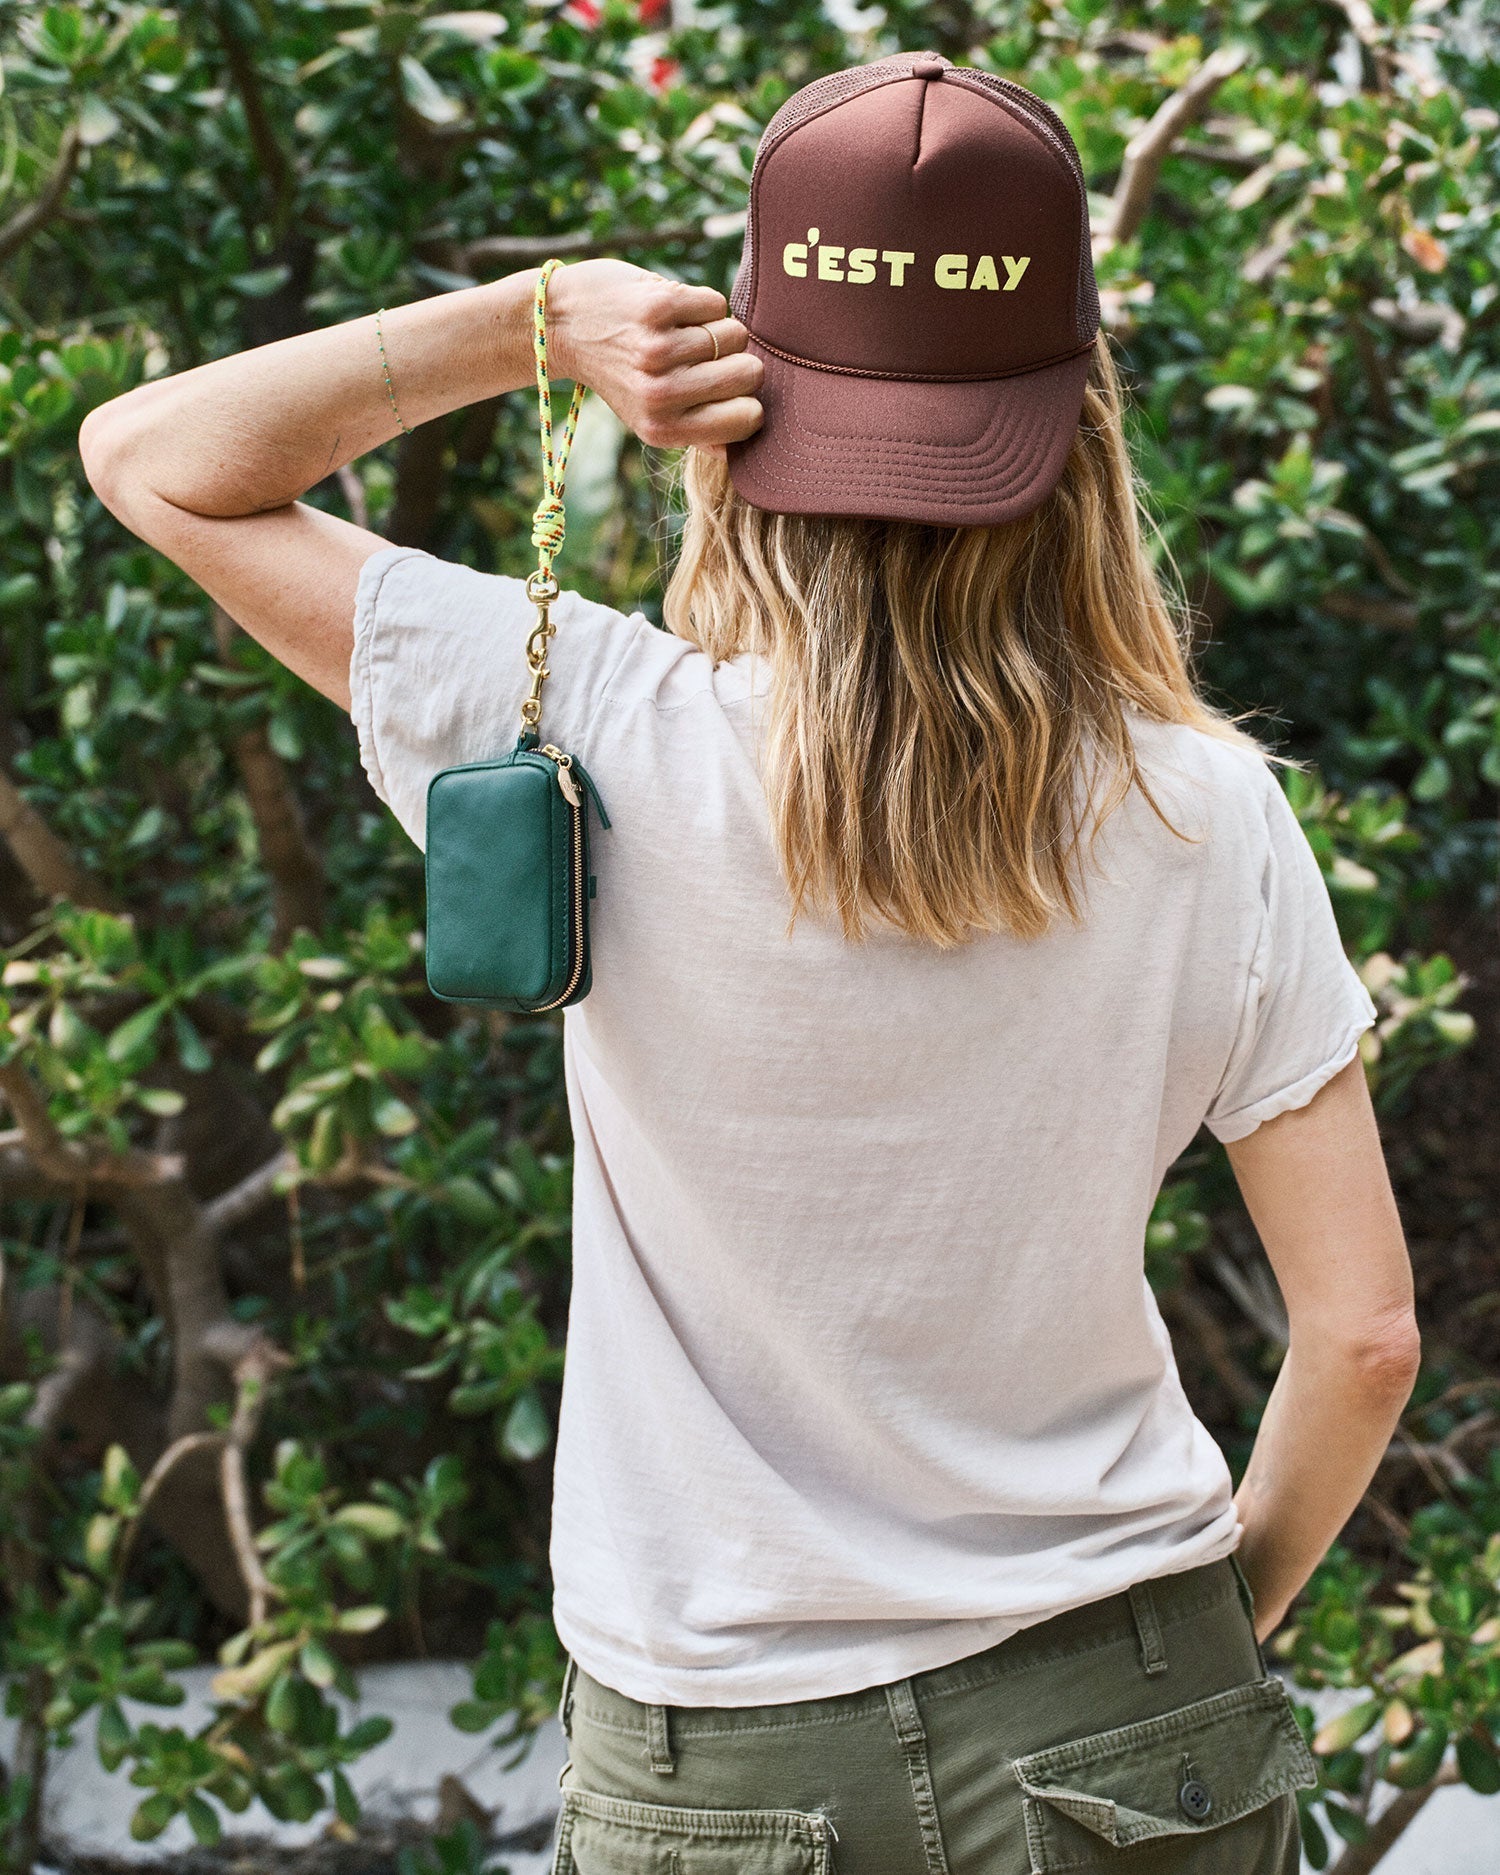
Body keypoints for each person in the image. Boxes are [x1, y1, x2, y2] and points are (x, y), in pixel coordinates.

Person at [80, 49, 1418, 1875]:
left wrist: (539, 320)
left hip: (723, 1759)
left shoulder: (580, 718)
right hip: (1134, 1712)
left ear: (740, 413)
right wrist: (1194, 1649)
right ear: (1080, 426)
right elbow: (1359, 1339)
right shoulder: (1208, 809)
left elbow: (152, 461)